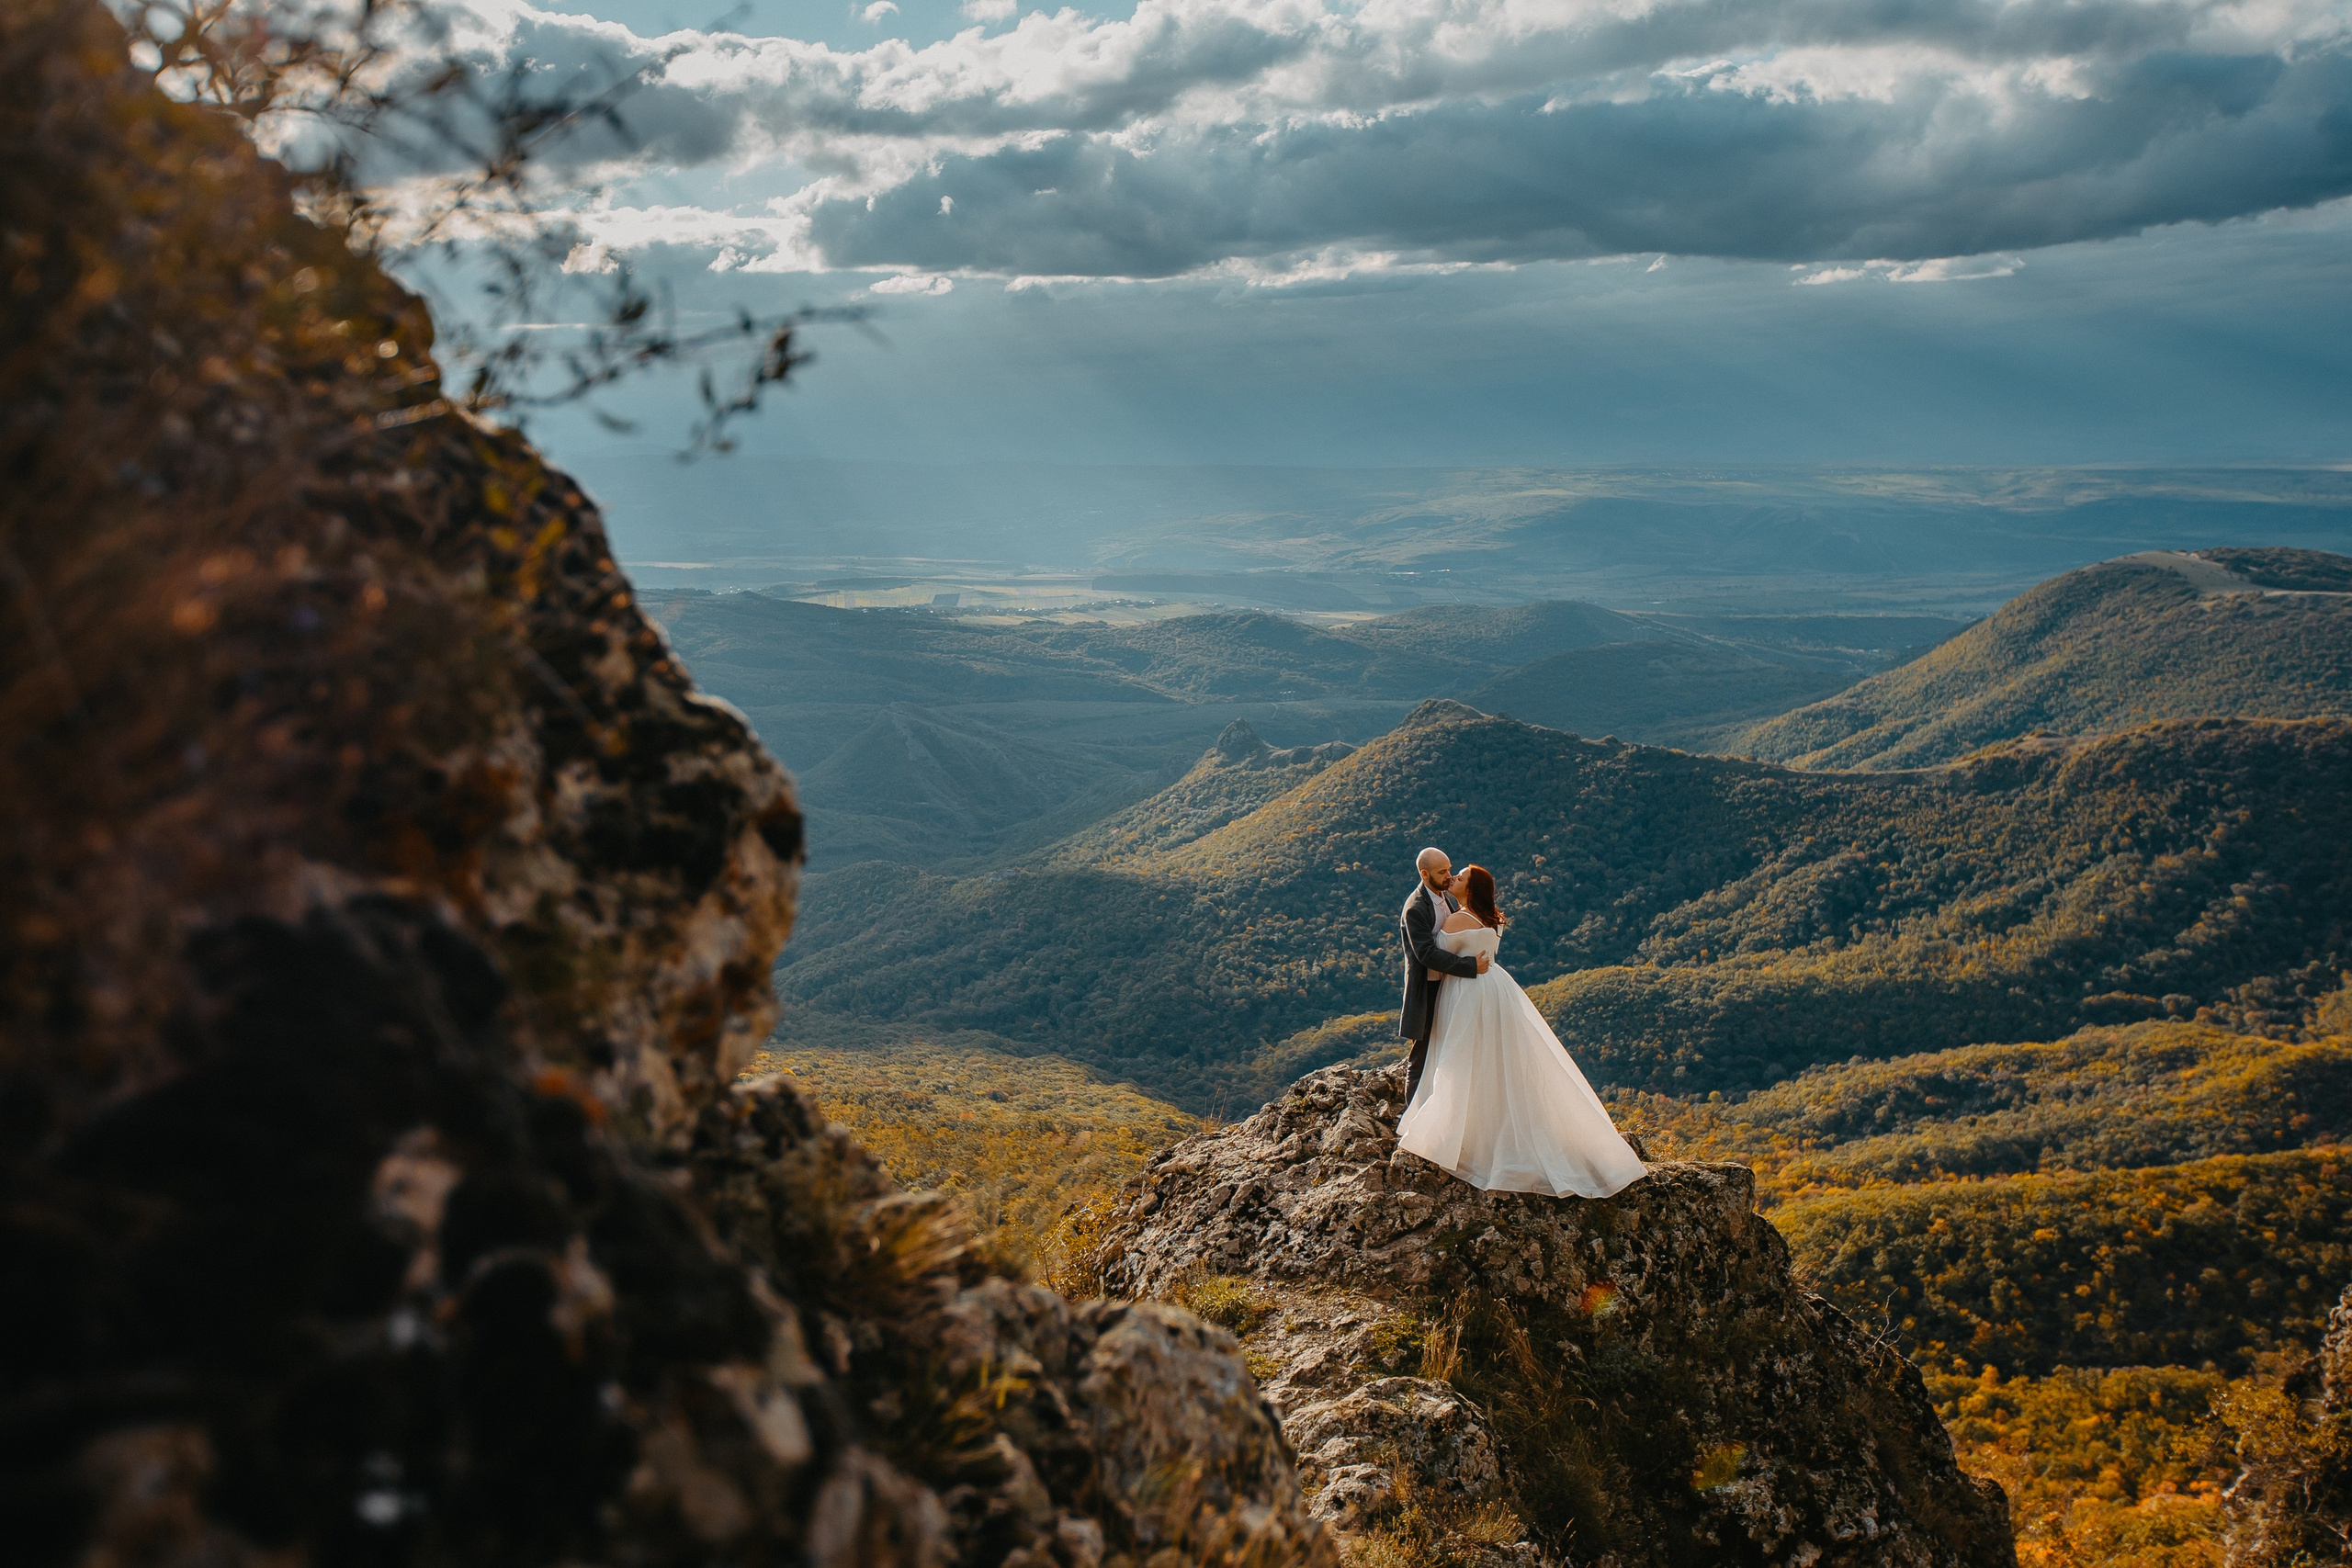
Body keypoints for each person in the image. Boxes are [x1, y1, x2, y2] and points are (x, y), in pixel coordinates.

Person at [1396, 863, 1647, 1199]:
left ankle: (1454, 1131)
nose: (1453, 878)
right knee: (1499, 1062)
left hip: (1467, 992)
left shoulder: (1456, 920)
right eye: (1450, 874)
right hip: (1496, 989)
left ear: (1470, 890)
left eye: (1460, 877)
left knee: (1458, 1060)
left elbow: (1431, 953)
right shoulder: (1492, 920)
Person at [1397, 846, 1487, 1108]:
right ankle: (1413, 1121)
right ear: (1425, 875)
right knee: (1421, 1057)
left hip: (1449, 988)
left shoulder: (1445, 898)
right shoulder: (1415, 908)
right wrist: (1470, 966)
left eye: (1450, 869)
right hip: (1426, 991)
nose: (1449, 876)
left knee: (1448, 1053)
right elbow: (1426, 955)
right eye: (1442, 872)